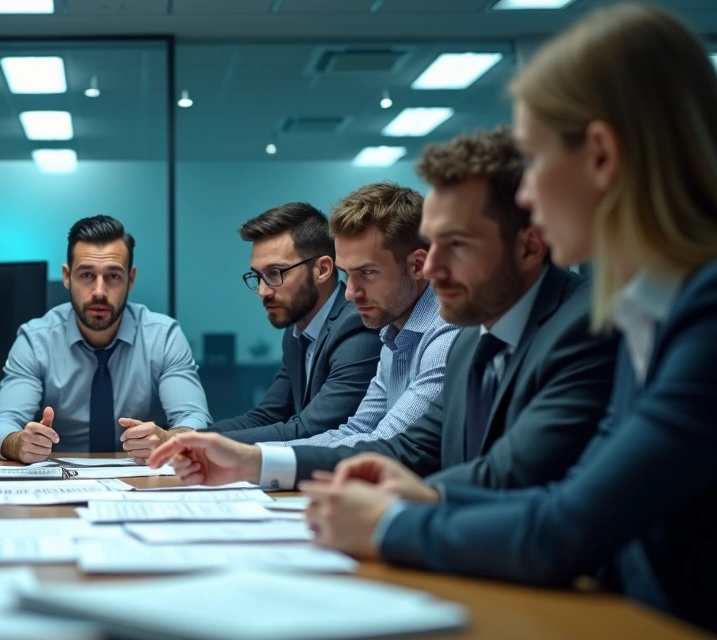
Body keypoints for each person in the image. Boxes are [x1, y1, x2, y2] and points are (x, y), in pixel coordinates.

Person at [302, 3, 717, 632]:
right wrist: (428, 495)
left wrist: (389, 523)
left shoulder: (702, 312)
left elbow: (566, 527)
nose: (525, 197)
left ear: (601, 156)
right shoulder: (648, 312)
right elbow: (577, 492)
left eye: (535, 159)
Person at [151, 127, 617, 491]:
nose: (431, 268)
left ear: (530, 246)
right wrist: (253, 462)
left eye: (454, 245)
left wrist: (407, 512)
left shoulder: (578, 327)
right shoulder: (471, 337)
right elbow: (407, 445)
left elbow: (515, 485)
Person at [0, 215, 211, 463]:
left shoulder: (163, 336)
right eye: (87, 275)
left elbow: (195, 419)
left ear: (130, 279)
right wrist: (19, 443)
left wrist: (167, 440)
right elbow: (0, 425)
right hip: (60, 482)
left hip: (142, 480)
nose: (100, 292)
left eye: (113, 276)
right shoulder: (36, 340)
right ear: (67, 276)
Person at [260, 183, 459, 454]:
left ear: (418, 265)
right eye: (346, 274)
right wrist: (256, 455)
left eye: (366, 273)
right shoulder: (392, 332)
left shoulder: (448, 333)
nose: (351, 294)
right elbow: (357, 431)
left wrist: (256, 460)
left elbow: (386, 442)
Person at [202, 203, 382, 444]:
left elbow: (311, 430)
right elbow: (266, 416)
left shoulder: (357, 325)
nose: (263, 291)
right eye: (257, 276)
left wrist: (202, 445)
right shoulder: (297, 331)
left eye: (275, 273)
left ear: (322, 269)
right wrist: (181, 437)